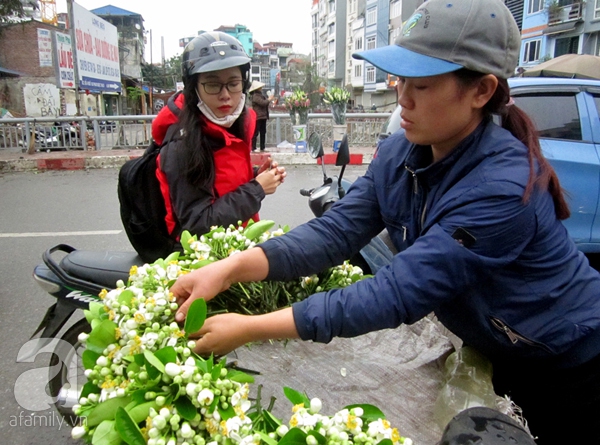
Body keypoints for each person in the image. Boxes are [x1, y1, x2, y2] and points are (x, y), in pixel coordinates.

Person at [170, 2, 600, 443]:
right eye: (401, 81)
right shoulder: (400, 154)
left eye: (423, 85)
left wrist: (250, 329)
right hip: (495, 348)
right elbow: (334, 232)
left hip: (568, 364)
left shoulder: (502, 187)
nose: (403, 98)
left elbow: (394, 293)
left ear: (481, 90)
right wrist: (229, 268)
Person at [150, 32, 286, 243]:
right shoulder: (182, 146)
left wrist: (256, 175)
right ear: (194, 88)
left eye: (233, 83)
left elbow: (220, 184)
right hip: (206, 260)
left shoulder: (227, 126)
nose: (225, 95)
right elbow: (197, 225)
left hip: (236, 248)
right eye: (213, 85)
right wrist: (256, 189)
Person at [248, 80, 272, 152]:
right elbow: (263, 103)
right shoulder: (255, 96)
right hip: (258, 117)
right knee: (256, 132)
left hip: (262, 116)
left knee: (263, 132)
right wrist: (269, 99)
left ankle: (262, 147)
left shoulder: (260, 95)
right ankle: (253, 147)